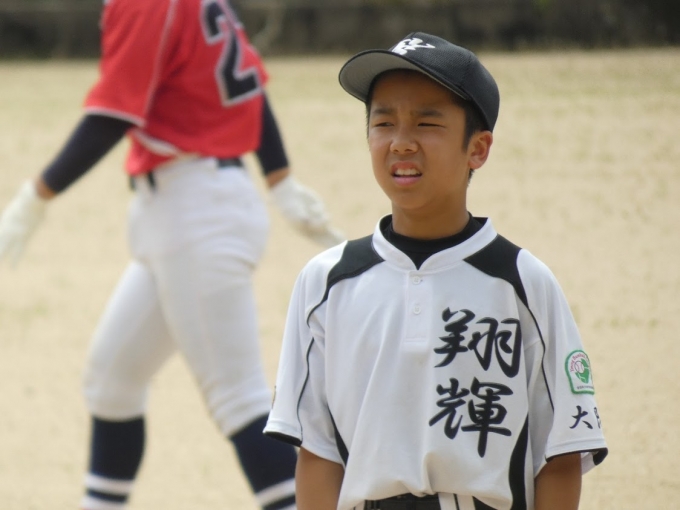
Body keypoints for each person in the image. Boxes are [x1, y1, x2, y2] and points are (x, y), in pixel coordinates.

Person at [0, 0, 344, 509]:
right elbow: (248, 82)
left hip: (195, 212)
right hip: (188, 209)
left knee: (238, 399)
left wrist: (36, 196)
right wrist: (278, 178)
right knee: (112, 380)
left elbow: (114, 113)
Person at [263, 32, 608, 510]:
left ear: (478, 149)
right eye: (383, 122)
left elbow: (561, 453)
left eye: (426, 123)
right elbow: (318, 452)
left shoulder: (523, 283)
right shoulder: (326, 282)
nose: (401, 142)